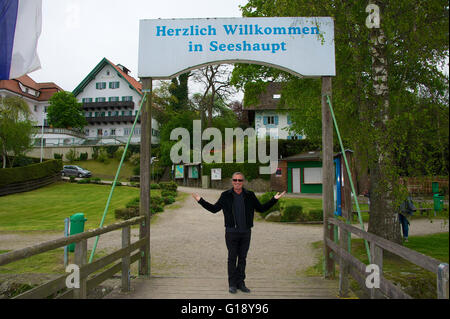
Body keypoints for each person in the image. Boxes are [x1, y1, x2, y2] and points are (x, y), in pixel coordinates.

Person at [192, 172, 286, 294]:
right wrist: (200, 200)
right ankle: (232, 284)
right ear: (232, 181)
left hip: (246, 232)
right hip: (231, 232)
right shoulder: (225, 195)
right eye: (235, 180)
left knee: (242, 258)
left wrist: (274, 199)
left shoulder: (250, 195)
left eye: (240, 180)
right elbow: (214, 209)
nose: (237, 182)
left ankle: (241, 283)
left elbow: (261, 209)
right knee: (232, 258)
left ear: (243, 182)